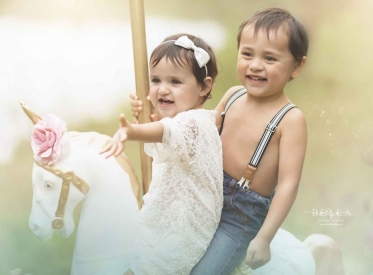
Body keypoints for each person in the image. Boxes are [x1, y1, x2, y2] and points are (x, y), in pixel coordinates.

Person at [131, 7, 308, 274]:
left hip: (239, 216)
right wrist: (156, 117)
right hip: (203, 197)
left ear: (296, 66)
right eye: (247, 54)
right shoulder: (234, 95)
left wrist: (264, 238)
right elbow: (192, 131)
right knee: (157, 254)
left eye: (269, 58)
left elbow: (287, 185)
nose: (255, 64)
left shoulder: (290, 119)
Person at [101, 34, 223, 275]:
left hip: (180, 232)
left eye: (175, 82)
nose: (163, 89)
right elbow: (162, 129)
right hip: (170, 224)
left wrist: (133, 130)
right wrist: (146, 115)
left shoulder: (194, 123)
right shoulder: (185, 119)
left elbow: (166, 131)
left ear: (204, 86)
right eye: (156, 80)